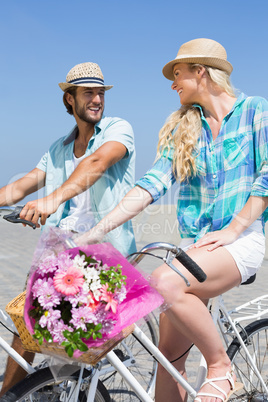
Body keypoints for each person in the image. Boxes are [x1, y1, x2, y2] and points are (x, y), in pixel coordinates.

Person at [76, 38, 268, 402]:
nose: (172, 83)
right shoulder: (184, 127)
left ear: (201, 71)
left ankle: (221, 367)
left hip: (240, 241)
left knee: (163, 281)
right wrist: (97, 230)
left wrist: (234, 228)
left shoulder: (255, 110)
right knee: (167, 360)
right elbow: (153, 184)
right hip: (195, 247)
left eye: (177, 73)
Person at [0, 61, 136, 396]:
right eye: (88, 92)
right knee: (25, 325)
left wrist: (52, 201)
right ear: (69, 100)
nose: (96, 99)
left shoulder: (119, 129)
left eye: (100, 92)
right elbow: (21, 186)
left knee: (56, 327)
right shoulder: (58, 149)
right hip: (62, 253)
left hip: (106, 252)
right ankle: (11, 394)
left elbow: (97, 163)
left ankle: (43, 388)